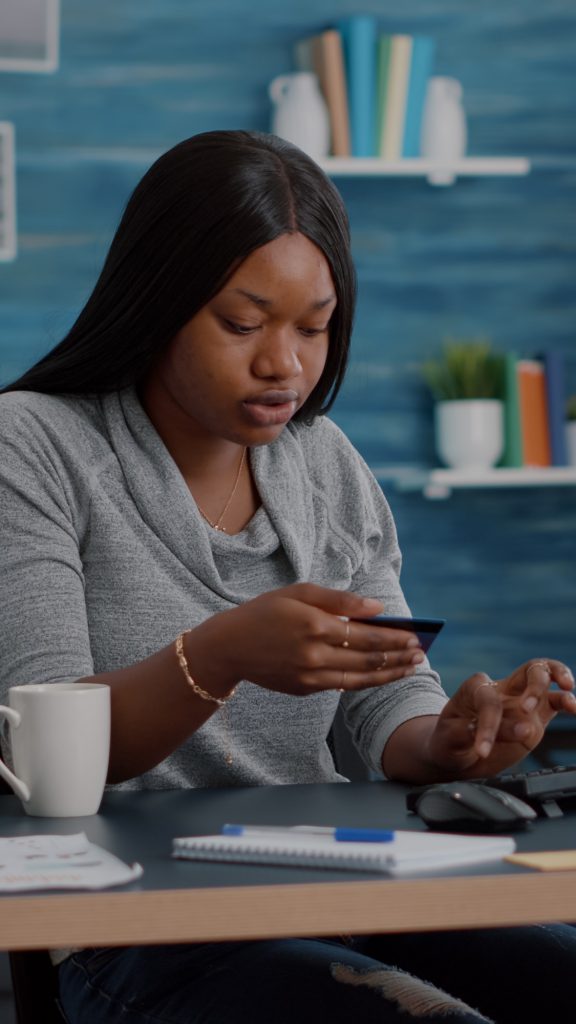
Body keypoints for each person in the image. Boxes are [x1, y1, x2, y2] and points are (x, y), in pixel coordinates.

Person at [0, 129, 574, 1024]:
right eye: (243, 323)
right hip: (134, 932)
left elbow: (383, 697)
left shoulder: (325, 462)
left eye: (315, 326)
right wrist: (218, 657)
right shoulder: (34, 447)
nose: (287, 364)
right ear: (157, 300)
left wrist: (449, 743)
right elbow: (42, 754)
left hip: (337, 886)